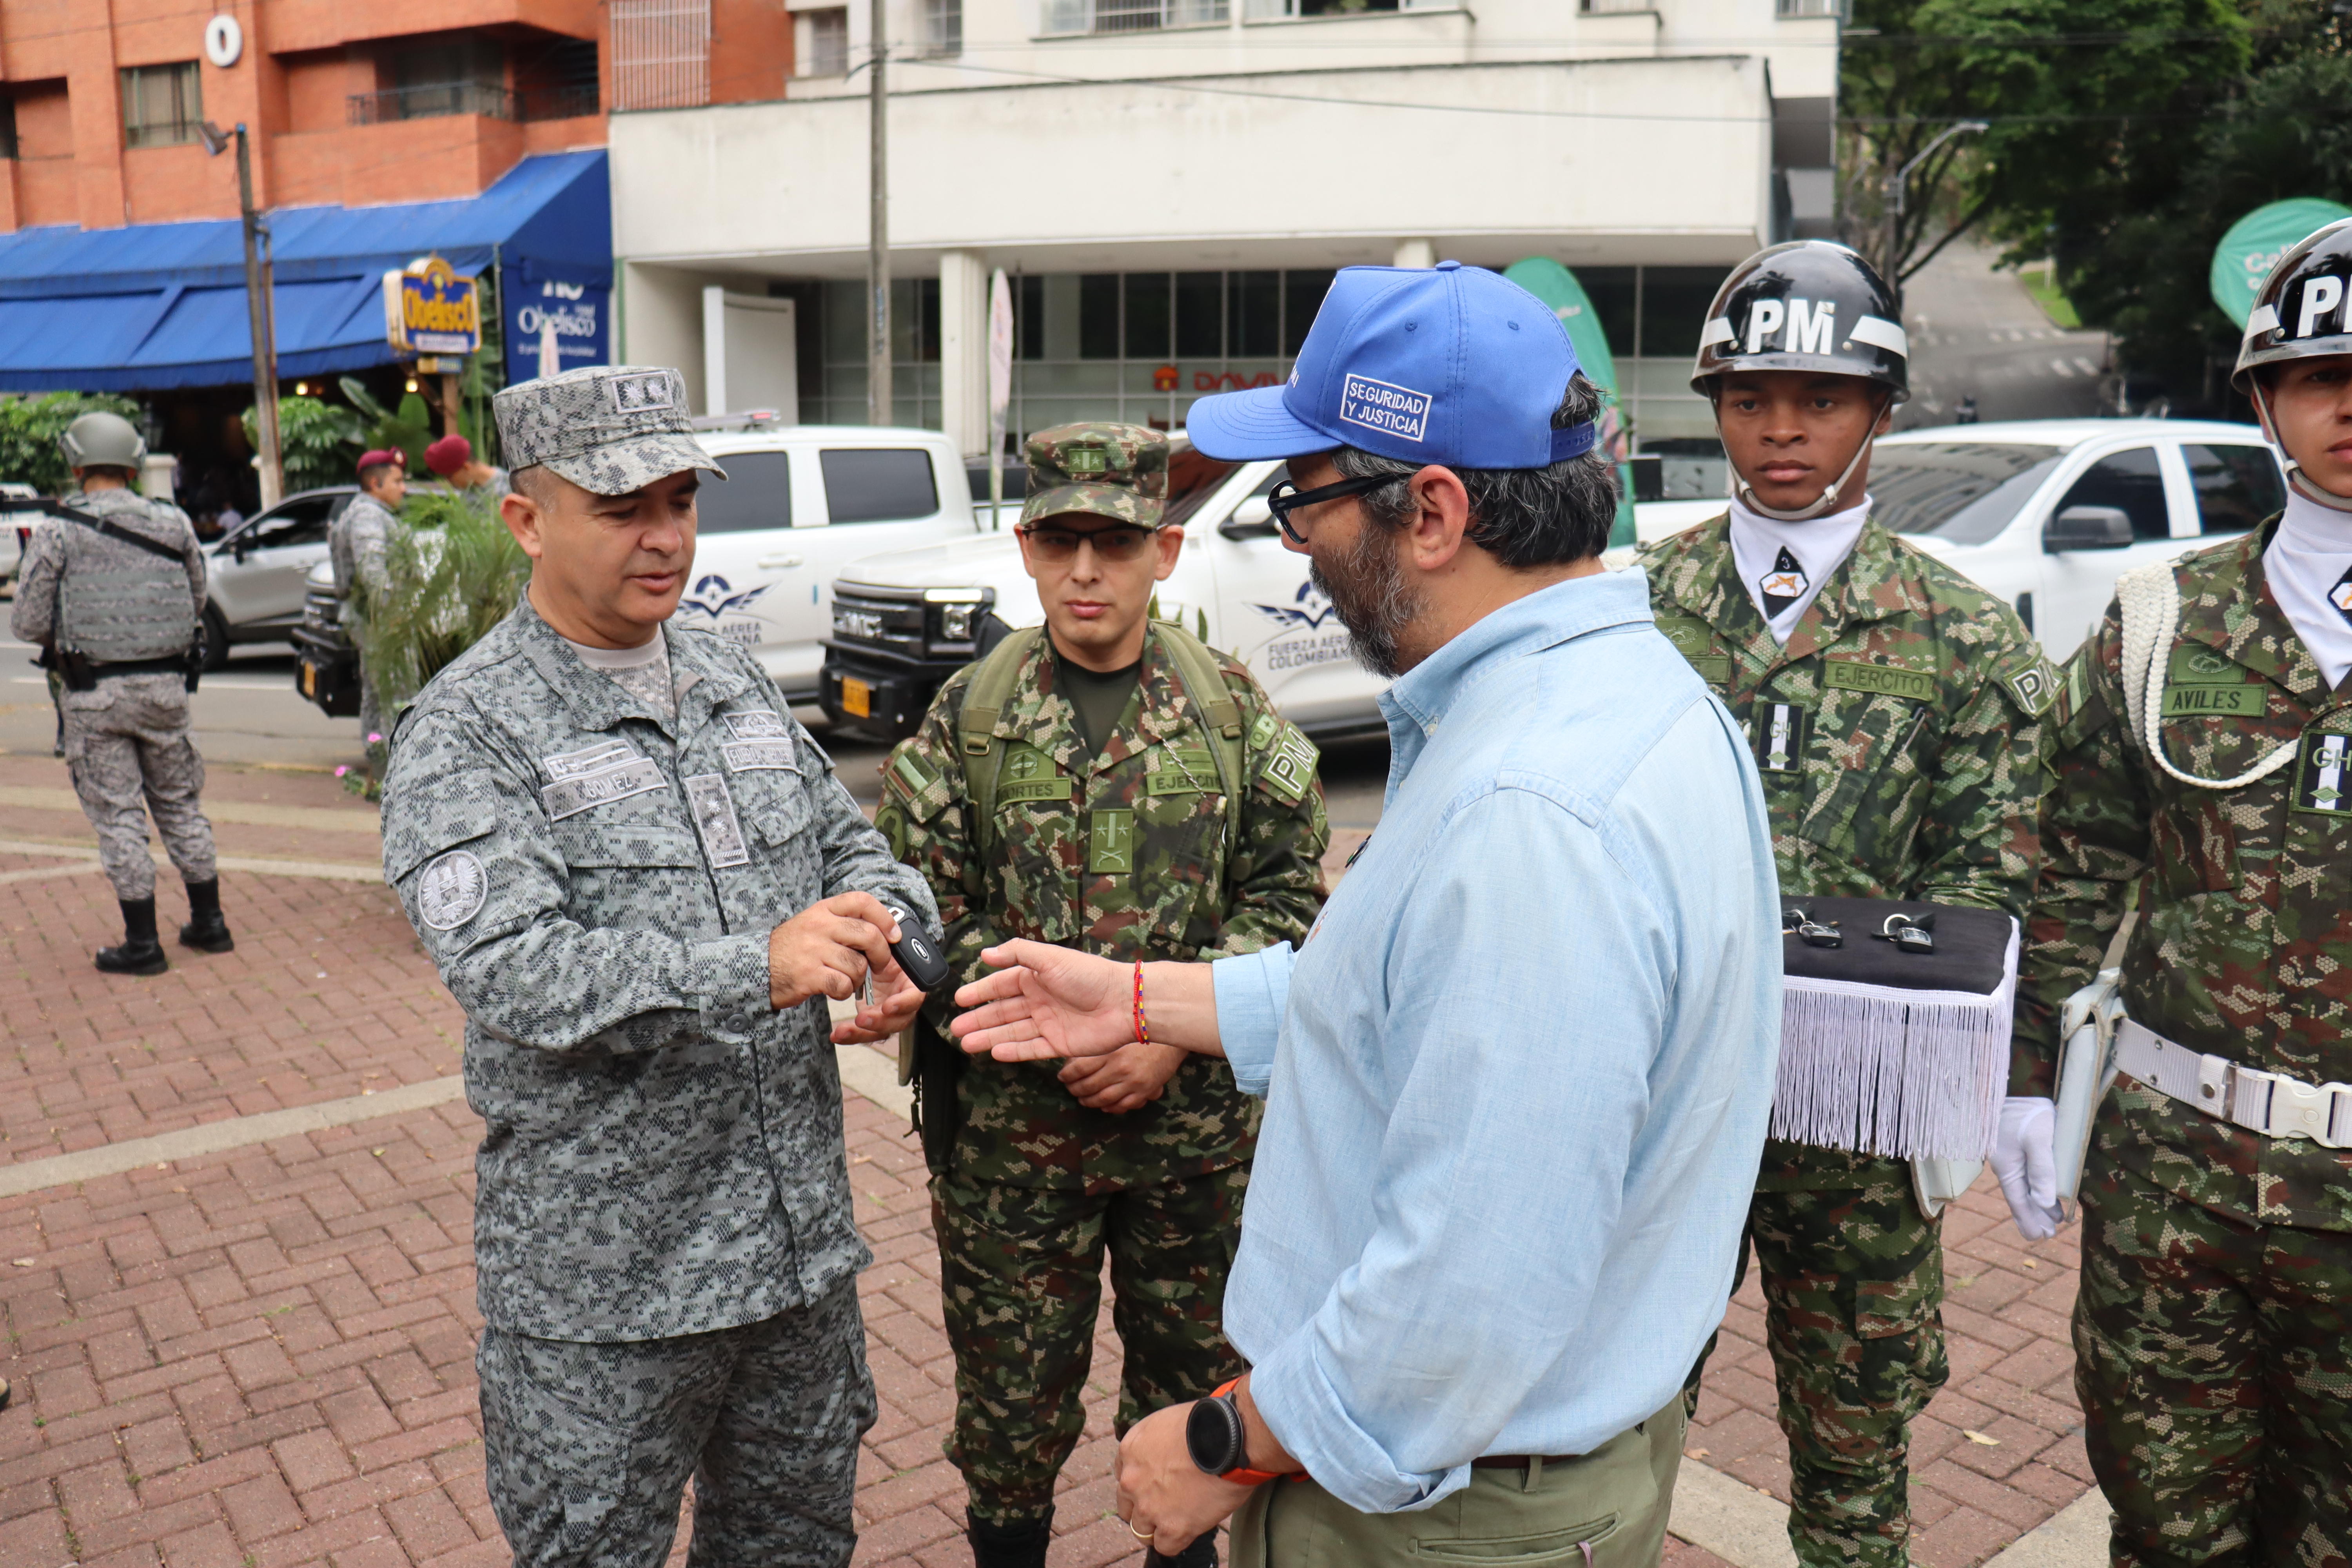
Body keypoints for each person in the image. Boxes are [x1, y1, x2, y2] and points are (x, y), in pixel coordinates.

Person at [948, 261, 1782, 1568]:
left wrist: (1230, 1440)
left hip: (1434, 1503)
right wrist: (1140, 997)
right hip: (1480, 1474)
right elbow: (1422, 1004)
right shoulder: (1618, 702)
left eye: (1305, 497)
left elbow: (1474, 1281)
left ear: (1435, 513)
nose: (1298, 540)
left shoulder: (1531, 811)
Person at [379, 364, 942, 1568]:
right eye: (625, 506)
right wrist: (759, 966)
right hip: (608, 1297)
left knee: (795, 1550)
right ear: (526, 519)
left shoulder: (725, 671)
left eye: (681, 500)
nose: (666, 535)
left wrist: (887, 927)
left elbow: (846, 839)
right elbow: (514, 968)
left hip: (792, 1264)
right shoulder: (468, 730)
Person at [1638, 240, 2055, 1568]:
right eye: (1753, 399)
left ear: (1879, 407)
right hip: (1665, 1101)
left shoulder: (1962, 635)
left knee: (1858, 1455)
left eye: (1819, 398)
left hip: (1861, 1116)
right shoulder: (1635, 614)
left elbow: (1988, 882)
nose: (1781, 429)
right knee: (1620, 1420)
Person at [877, 422, 1330, 1568]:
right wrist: (1046, 1025)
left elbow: (1287, 895)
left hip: (1189, 1144)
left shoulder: (1228, 710)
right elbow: (918, 912)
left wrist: (1164, 1034)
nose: (1088, 570)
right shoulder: (967, 718)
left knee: (1190, 1409)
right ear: (1025, 548)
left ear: (1164, 552)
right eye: (1064, 540)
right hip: (1011, 1153)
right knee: (1008, 1417)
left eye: (1116, 542)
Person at [2015, 216, 2352, 1567]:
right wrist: (2030, 1078)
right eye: (2322, 372)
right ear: (2264, 399)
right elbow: (2073, 860)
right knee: (2169, 1530)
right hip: (2176, 1193)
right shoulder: (2162, 620)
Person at [10, 410, 232, 974]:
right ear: (133, 464)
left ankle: (143, 945)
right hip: (167, 691)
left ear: (76, 464)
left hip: (95, 696)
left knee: (119, 817)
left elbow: (28, 622)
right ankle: (210, 925)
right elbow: (198, 596)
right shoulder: (173, 521)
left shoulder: (59, 530)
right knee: (182, 806)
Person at [331, 449, 405, 766]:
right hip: (377, 619)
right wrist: (390, 616)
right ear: (375, 483)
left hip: (371, 617)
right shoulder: (367, 516)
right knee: (393, 690)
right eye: (398, 481)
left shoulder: (367, 512)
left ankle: (379, 759)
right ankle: (394, 765)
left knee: (377, 691)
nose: (404, 488)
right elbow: (373, 570)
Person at [424, 432, 511, 498]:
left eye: (449, 477)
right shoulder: (466, 497)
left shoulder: (511, 487)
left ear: (466, 467)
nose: (449, 483)